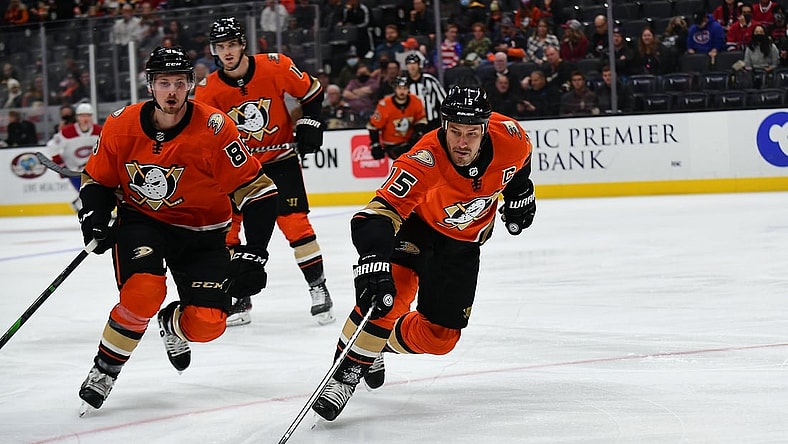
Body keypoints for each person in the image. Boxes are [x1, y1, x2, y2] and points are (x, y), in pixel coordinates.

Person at [310, 85, 536, 421]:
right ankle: (344, 375)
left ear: (486, 129)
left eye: (471, 133)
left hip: (463, 243)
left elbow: (521, 164)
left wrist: (521, 192)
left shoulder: (512, 138)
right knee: (389, 298)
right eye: (455, 131)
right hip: (417, 227)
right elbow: (377, 214)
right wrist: (374, 258)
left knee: (440, 339)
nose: (462, 142)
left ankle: (376, 343)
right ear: (443, 125)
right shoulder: (424, 158)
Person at [75, 46, 279, 413]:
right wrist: (94, 215)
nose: (172, 91)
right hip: (144, 222)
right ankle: (105, 369)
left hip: (204, 232)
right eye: (164, 83)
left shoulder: (215, 128)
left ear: (191, 85)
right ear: (150, 85)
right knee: (143, 292)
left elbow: (258, 192)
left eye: (180, 83)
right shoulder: (120, 125)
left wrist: (255, 252)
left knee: (208, 325)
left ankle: (172, 324)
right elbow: (97, 181)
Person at [194, 17, 335, 327]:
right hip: (239, 170)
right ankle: (239, 295)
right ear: (214, 51)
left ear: (243, 45)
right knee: (229, 232)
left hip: (280, 162)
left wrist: (310, 122)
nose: (227, 52)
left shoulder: (275, 66)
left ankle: (318, 287)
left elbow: (312, 92)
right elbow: (202, 134)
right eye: (221, 47)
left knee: (295, 224)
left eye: (232, 45)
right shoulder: (207, 91)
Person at [45, 103, 102, 211]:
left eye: (88, 115)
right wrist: (61, 165)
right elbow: (52, 147)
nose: (85, 118)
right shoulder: (67, 132)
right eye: (82, 116)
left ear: (92, 117)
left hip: (92, 170)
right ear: (77, 117)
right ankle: (84, 206)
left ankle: (83, 206)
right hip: (74, 170)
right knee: (88, 193)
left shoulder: (99, 131)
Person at [367, 76, 427, 160]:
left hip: (410, 142)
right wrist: (375, 144)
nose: (402, 91)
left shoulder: (416, 101)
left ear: (408, 89)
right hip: (392, 145)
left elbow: (421, 119)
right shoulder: (384, 104)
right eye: (399, 88)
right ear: (395, 89)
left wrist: (417, 134)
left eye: (405, 88)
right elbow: (373, 126)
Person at [403, 53, 447, 131]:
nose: (412, 66)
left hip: (431, 121)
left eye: (414, 63)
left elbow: (443, 99)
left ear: (419, 65)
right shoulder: (404, 83)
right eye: (409, 64)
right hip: (412, 123)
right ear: (406, 66)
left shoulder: (430, 80)